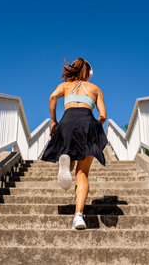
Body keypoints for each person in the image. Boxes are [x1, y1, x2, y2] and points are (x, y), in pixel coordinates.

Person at [41, 58, 108, 230]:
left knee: (69, 155)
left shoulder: (65, 86)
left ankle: (67, 163)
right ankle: (78, 215)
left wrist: (54, 121)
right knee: (83, 173)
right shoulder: (95, 89)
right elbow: (103, 116)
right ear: (89, 73)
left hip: (67, 122)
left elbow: (52, 97)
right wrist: (94, 127)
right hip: (87, 121)